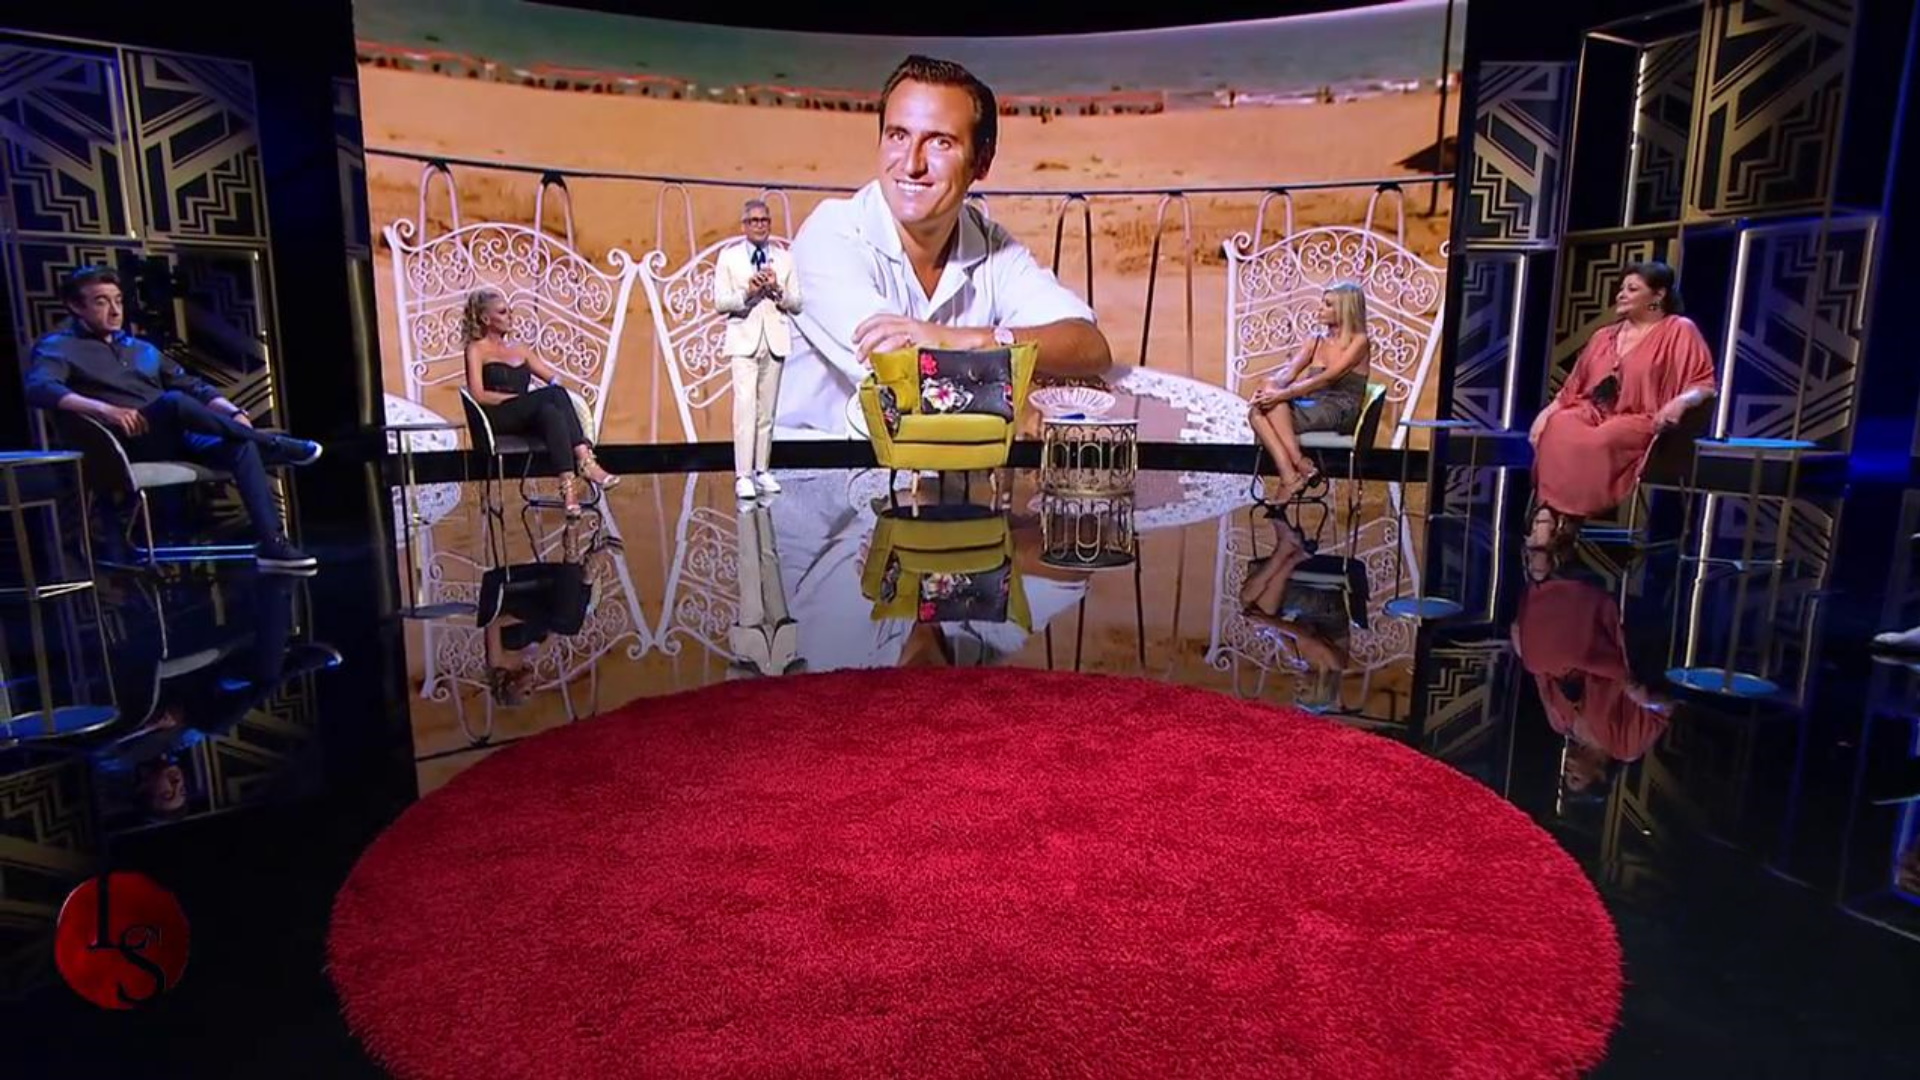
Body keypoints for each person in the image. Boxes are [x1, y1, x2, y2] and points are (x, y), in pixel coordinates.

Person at [777, 54, 1113, 438]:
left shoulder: (991, 246)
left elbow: (1088, 347)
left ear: (981, 162)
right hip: (820, 464)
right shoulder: (831, 235)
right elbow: (903, 381)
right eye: (898, 135)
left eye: (940, 142)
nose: (911, 164)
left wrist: (968, 339)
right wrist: (1014, 376)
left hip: (942, 464)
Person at [25, 265, 323, 570]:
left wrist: (233, 412)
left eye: (118, 300)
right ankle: (272, 443)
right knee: (173, 402)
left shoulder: (140, 348)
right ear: (76, 306)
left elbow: (193, 385)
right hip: (125, 441)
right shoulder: (58, 347)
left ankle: (273, 544)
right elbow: (39, 388)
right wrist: (104, 409)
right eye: (101, 302)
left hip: (177, 435)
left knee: (238, 444)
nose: (114, 311)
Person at [1528, 261, 1716, 550]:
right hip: (1591, 411)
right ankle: (1546, 515)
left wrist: (1679, 403)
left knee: (1602, 438)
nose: (1621, 294)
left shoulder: (1678, 330)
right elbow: (1571, 389)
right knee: (1560, 425)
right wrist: (1547, 413)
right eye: (1621, 288)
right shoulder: (1603, 336)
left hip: (1640, 418)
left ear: (1658, 295)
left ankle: (1570, 517)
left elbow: (1703, 385)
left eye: (1632, 289)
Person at [461, 288, 619, 517]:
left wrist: (554, 384)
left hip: (526, 415)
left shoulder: (520, 349)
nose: (510, 316)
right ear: (486, 319)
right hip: (497, 415)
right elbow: (478, 394)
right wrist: (519, 400)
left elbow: (552, 379)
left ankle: (569, 493)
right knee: (552, 396)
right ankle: (586, 461)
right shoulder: (476, 349)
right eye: (503, 312)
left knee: (550, 411)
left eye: (510, 311)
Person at [1247, 281, 1372, 501]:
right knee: (1257, 409)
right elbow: (1288, 373)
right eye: (1322, 302)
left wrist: (1282, 394)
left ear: (1346, 309)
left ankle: (1296, 469)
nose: (1320, 308)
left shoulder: (1359, 342)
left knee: (1265, 410)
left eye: (1328, 304)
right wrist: (1267, 386)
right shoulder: (1315, 341)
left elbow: (1327, 378)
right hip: (1311, 404)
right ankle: (1292, 473)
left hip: (1339, 408)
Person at [714, 198, 803, 500]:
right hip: (743, 339)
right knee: (745, 408)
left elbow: (797, 304)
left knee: (767, 411)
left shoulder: (784, 259)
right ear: (744, 225)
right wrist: (747, 292)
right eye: (753, 221)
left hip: (774, 339)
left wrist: (778, 290)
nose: (759, 225)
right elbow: (720, 303)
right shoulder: (729, 257)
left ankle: (762, 470)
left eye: (764, 220)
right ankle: (743, 475)